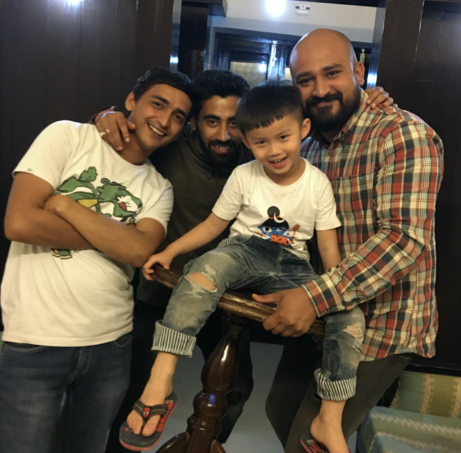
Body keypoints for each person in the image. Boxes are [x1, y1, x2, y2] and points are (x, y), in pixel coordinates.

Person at [96, 71, 393, 453]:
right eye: (260, 142)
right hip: (243, 251)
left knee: (348, 316)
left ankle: (329, 418)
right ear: (247, 141)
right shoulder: (241, 173)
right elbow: (213, 225)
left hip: (293, 265)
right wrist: (170, 252)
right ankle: (161, 377)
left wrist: (338, 292)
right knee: (204, 269)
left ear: (303, 130)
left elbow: (328, 246)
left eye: (283, 138)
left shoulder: (317, 181)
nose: (273, 150)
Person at [252, 29, 444, 453]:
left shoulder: (403, 134)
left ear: (359, 72)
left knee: (308, 439)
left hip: (383, 324)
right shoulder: (307, 147)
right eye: (305, 80)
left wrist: (312, 297)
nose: (320, 89)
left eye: (332, 73)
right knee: (279, 410)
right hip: (325, 316)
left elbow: (403, 240)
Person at [0, 67, 193, 453]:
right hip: (34, 338)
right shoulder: (67, 136)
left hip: (111, 344)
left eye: (178, 116)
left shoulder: (159, 188)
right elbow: (20, 222)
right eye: (158, 104)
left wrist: (64, 207)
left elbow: (139, 252)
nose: (165, 120)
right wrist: (116, 237)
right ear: (131, 101)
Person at [97, 69, 255, 453]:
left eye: (234, 123)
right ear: (194, 122)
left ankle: (201, 444)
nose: (224, 135)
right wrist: (106, 117)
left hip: (222, 300)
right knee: (135, 391)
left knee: (236, 390)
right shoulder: (169, 148)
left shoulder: (256, 158)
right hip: (160, 293)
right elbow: (127, 132)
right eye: (212, 121)